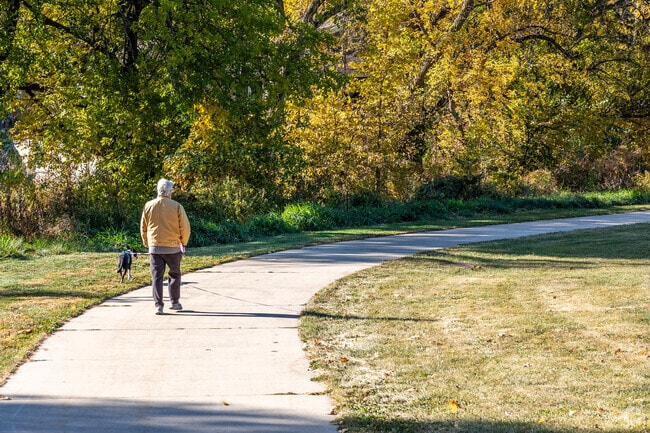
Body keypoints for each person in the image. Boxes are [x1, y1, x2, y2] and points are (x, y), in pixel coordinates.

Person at [140, 178, 191, 315]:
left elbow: (143, 227)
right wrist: (183, 242)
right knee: (174, 274)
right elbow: (185, 227)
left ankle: (158, 305)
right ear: (169, 192)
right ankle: (174, 302)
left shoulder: (149, 205)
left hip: (155, 246)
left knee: (156, 276)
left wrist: (147, 242)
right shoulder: (177, 206)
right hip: (173, 247)